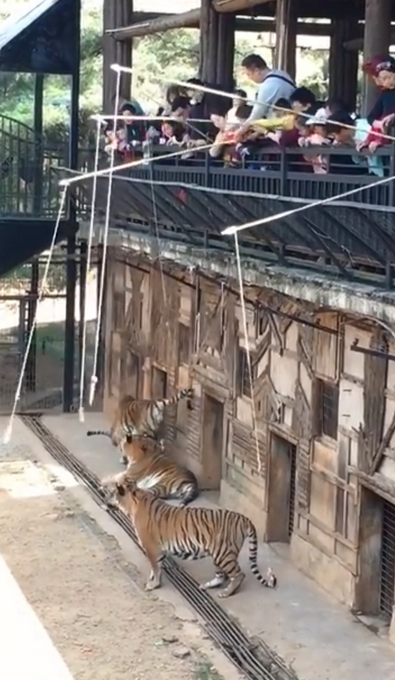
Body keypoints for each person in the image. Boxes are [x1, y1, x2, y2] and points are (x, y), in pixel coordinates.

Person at [235, 54, 295, 140]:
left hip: (278, 130)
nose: (249, 78)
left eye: (249, 74)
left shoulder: (267, 86)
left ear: (257, 71)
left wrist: (241, 131)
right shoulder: (282, 74)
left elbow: (256, 115)